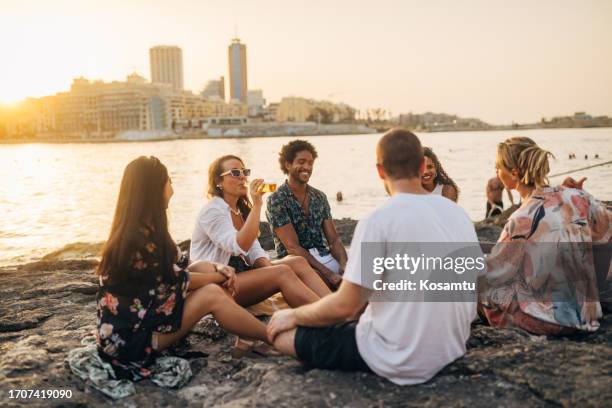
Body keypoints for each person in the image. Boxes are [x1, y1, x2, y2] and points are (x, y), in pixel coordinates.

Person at [266, 129, 480, 385]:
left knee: (281, 335)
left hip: (394, 356)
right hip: (450, 348)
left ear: (380, 171)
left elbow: (346, 307)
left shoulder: (378, 219)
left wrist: (291, 316)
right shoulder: (459, 215)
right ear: (422, 165)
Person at [96, 156, 272, 380]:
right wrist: (218, 277)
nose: (172, 188)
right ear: (153, 189)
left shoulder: (140, 228)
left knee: (204, 268)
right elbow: (177, 279)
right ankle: (272, 335)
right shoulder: (138, 241)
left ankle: (248, 334)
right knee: (211, 293)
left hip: (146, 321)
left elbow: (182, 265)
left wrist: (218, 267)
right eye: (168, 181)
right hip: (134, 340)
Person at [479, 137, 612, 335]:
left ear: (514, 174)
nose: (496, 172)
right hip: (587, 315)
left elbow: (494, 273)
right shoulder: (577, 197)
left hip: (547, 321)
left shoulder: (520, 219)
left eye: (497, 167)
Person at [190, 154, 331, 308]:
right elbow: (238, 246)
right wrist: (257, 205)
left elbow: (253, 249)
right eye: (235, 173)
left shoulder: (239, 210)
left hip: (239, 274)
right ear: (218, 181)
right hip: (219, 282)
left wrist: (268, 268)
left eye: (245, 172)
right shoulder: (212, 211)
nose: (242, 177)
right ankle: (325, 314)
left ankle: (335, 306)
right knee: (282, 272)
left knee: (297, 261)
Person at [266, 140, 348, 288]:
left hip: (325, 257)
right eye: (301, 162)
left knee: (366, 280)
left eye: (310, 163)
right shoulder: (276, 200)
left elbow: (334, 240)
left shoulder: (319, 196)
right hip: (297, 264)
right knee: (333, 290)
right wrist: (329, 274)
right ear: (288, 165)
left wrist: (344, 264)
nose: (307, 167)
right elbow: (292, 247)